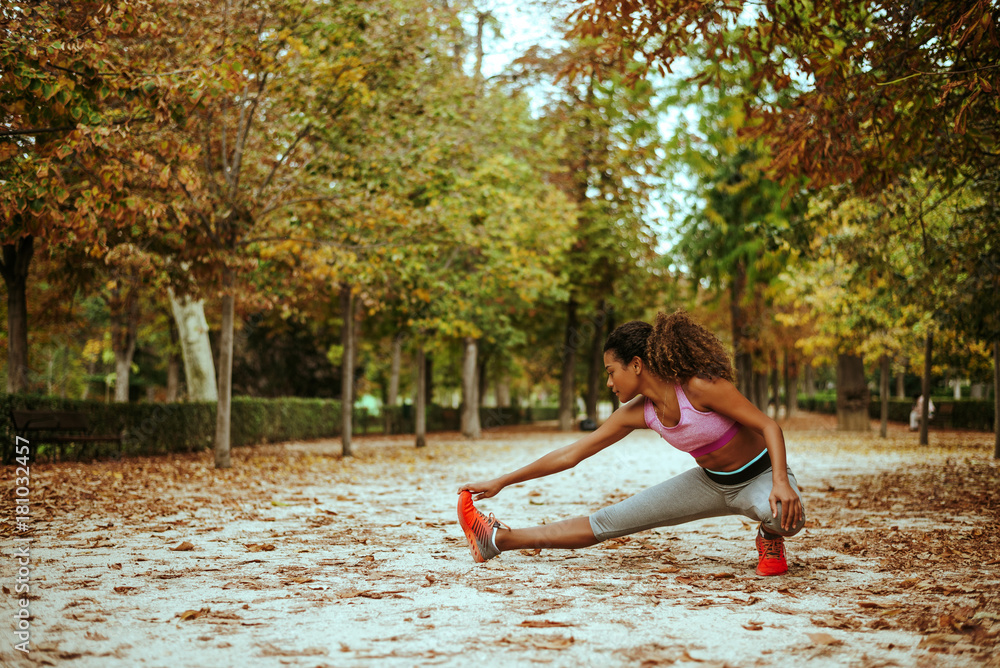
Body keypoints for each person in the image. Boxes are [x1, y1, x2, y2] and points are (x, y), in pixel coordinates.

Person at [457, 311, 806, 576]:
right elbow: (571, 454)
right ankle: (499, 540)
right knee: (608, 521)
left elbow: (768, 425)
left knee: (788, 518)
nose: (609, 382)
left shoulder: (700, 387)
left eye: (611, 371)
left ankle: (769, 536)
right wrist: (502, 481)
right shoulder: (637, 412)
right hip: (711, 484)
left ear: (636, 365)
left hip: (761, 476)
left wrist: (779, 481)